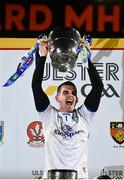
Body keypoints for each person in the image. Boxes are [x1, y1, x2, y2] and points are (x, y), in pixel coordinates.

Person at [31, 38, 103, 179]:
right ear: (57, 98)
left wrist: (85, 56)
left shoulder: (84, 116)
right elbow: (36, 86)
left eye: (74, 93)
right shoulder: (48, 115)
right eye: (65, 92)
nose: (71, 95)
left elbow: (98, 87)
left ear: (77, 99)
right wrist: (42, 57)